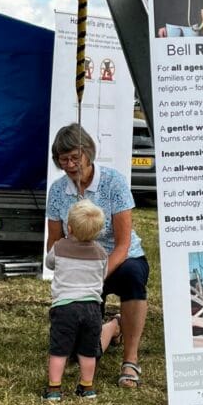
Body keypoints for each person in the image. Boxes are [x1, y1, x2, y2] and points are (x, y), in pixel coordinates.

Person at [46, 124, 149, 389]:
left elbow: (123, 243)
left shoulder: (114, 181)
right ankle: (113, 326)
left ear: (88, 154)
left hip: (119, 259)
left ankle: (130, 359)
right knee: (83, 353)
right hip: (80, 263)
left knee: (133, 278)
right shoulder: (57, 191)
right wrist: (64, 268)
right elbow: (54, 240)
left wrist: (98, 274)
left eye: (74, 158)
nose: (69, 165)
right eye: (63, 159)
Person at [42, 199, 118, 402]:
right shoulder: (101, 253)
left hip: (64, 307)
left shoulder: (59, 247)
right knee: (88, 351)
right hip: (92, 308)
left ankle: (54, 389)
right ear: (98, 232)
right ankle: (87, 387)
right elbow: (102, 275)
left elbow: (50, 264)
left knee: (59, 350)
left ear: (69, 227)